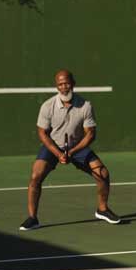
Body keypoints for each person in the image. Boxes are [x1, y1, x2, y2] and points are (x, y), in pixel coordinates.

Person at [19, 70, 120, 230]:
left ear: (73, 84)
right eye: (60, 84)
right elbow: (42, 134)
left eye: (66, 83)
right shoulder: (47, 106)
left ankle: (102, 209)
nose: (64, 87)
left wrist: (71, 152)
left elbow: (90, 135)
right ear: (56, 86)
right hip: (53, 146)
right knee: (35, 176)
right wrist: (59, 154)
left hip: (78, 147)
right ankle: (33, 218)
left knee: (103, 173)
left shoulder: (85, 105)